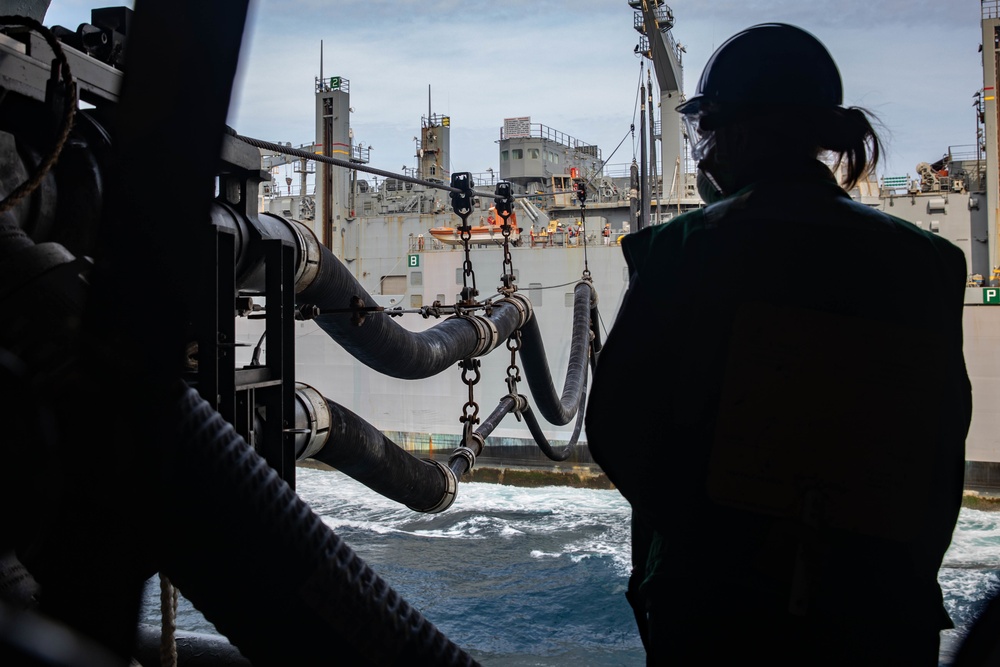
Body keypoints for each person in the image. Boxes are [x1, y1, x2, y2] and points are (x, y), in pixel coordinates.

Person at [585, 23, 971, 667]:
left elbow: (619, 430)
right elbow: (938, 447)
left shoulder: (678, 249)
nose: (703, 150)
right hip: (881, 608)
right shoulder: (930, 261)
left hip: (719, 610)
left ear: (734, 133)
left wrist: (726, 544)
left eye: (708, 131)